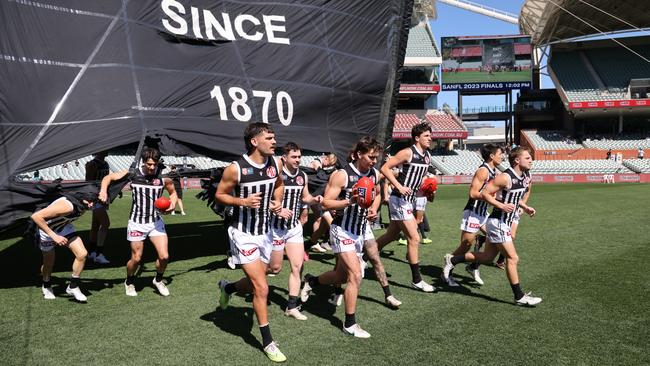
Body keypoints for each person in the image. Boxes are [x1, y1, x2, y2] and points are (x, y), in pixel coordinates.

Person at [301, 136, 389, 338]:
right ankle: (349, 323)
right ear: (359, 154)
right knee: (355, 275)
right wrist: (350, 201)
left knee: (341, 276)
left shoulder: (374, 173)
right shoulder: (343, 175)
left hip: (359, 230)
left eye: (376, 157)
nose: (374, 161)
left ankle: (312, 281)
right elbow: (326, 204)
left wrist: (373, 209)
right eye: (371, 157)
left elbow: (375, 193)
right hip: (341, 230)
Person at [215, 123, 288, 362]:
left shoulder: (276, 163)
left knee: (267, 274)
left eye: (274, 137)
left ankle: (228, 288)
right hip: (243, 233)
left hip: (266, 232)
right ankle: (268, 342)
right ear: (254, 142)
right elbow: (220, 195)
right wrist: (242, 202)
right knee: (262, 288)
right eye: (269, 138)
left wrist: (277, 203)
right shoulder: (236, 169)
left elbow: (279, 185)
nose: (274, 141)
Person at [443, 147, 542, 306]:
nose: (531, 160)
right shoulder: (505, 177)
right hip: (498, 222)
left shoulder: (525, 176)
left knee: (488, 258)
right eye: (528, 157)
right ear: (517, 160)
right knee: (512, 258)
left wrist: (525, 207)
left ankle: (453, 259)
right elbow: (485, 193)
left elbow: (516, 197)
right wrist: (501, 206)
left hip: (504, 222)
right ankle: (519, 296)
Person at [99, 147, 177, 297]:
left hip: (155, 222)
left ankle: (158, 280)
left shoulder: (163, 177)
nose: (152, 167)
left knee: (164, 256)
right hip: (137, 222)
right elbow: (108, 178)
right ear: (143, 162)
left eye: (154, 164)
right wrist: (103, 191)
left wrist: (172, 205)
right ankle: (129, 281)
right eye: (149, 164)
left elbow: (173, 193)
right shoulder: (133, 174)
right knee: (136, 258)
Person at [375, 122, 436, 293]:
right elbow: (385, 168)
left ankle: (364, 257)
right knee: (414, 238)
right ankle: (417, 280)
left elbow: (418, 183)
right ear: (417, 138)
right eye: (426, 135)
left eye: (430, 135)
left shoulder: (427, 156)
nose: (430, 138)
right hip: (399, 199)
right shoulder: (407, 152)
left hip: (409, 200)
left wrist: (427, 194)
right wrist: (398, 186)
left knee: (391, 235)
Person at [268, 142, 323, 320]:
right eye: (294, 157)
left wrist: (315, 199)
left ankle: (291, 306)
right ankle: (239, 285)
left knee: (297, 266)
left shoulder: (302, 176)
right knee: (275, 268)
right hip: (275, 228)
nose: (298, 160)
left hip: (294, 228)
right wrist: (277, 209)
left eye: (299, 156)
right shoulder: (275, 175)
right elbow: (262, 200)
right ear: (284, 158)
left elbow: (305, 197)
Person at [442, 143, 503, 287]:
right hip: (474, 212)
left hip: (483, 213)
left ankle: (473, 266)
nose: (503, 156)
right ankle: (448, 265)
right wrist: (490, 198)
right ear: (492, 156)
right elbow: (473, 193)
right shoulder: (483, 171)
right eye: (500, 154)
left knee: (495, 239)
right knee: (466, 245)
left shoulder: (494, 171)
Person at [31, 191, 98, 302]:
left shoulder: (82, 205)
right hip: (47, 231)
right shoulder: (67, 206)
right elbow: (36, 216)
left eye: (93, 202)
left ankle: (73, 286)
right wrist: (54, 236)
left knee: (82, 254)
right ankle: (46, 284)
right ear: (82, 199)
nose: (91, 205)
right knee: (49, 262)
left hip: (64, 228)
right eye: (89, 202)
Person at [308, 153, 338, 253]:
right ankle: (338, 240)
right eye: (329, 163)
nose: (329, 166)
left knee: (320, 218)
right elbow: (319, 178)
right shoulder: (317, 162)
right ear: (325, 158)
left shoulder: (324, 167)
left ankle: (314, 242)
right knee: (324, 218)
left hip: (318, 196)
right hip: (312, 195)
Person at [85, 151, 111, 264]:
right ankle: (99, 253)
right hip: (95, 197)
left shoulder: (105, 164)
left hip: (103, 197)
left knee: (95, 226)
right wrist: (89, 198)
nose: (109, 150)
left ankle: (91, 252)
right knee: (105, 223)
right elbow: (88, 182)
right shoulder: (92, 164)